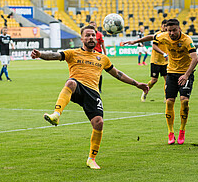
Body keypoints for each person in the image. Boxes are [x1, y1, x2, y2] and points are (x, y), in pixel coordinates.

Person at [31, 25, 148, 169]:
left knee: (98, 123)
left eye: (93, 35)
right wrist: (40, 54)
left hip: (93, 93)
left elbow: (117, 74)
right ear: (82, 39)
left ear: (96, 38)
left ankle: (91, 159)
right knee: (71, 82)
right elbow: (55, 55)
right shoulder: (72, 53)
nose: (91, 37)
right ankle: (56, 114)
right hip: (78, 87)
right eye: (87, 35)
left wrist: (137, 84)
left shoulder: (102, 58)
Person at [125, 19, 198, 145]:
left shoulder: (187, 40)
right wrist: (135, 41)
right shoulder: (163, 35)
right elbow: (151, 37)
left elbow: (195, 59)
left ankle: (182, 130)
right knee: (169, 102)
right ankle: (171, 133)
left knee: (184, 101)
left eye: (174, 30)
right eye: (169, 30)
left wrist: (186, 75)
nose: (171, 33)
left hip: (185, 74)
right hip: (171, 73)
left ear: (179, 29)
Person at [123, 20, 168, 102]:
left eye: (167, 26)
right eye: (164, 26)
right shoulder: (158, 35)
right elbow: (154, 45)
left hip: (165, 61)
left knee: (167, 79)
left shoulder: (170, 35)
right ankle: (145, 91)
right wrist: (164, 53)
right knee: (154, 80)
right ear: (161, 26)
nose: (165, 27)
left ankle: (166, 96)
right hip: (156, 61)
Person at [89, 21, 107, 93]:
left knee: (99, 72)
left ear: (96, 26)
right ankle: (91, 87)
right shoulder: (88, 35)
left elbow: (103, 44)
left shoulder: (99, 34)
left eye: (93, 25)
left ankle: (99, 88)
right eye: (91, 26)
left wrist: (105, 55)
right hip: (90, 54)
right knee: (90, 71)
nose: (92, 27)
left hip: (98, 54)